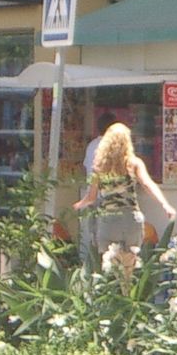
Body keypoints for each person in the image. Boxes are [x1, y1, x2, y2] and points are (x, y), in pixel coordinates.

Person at [73, 123, 176, 260]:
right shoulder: (134, 163)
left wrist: (79, 204)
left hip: (108, 220)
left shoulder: (98, 167)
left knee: (109, 263)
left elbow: (91, 197)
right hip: (130, 218)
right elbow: (147, 184)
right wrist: (165, 204)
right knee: (129, 263)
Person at [79, 113, 119, 263]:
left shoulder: (91, 145)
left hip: (92, 194)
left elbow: (86, 168)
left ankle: (91, 262)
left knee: (93, 233)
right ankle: (107, 263)